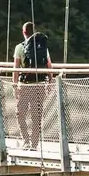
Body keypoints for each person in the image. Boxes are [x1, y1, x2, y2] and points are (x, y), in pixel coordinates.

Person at [12, 21, 51, 149]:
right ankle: (34, 144)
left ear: (23, 32)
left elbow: (16, 69)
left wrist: (14, 86)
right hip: (39, 84)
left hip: (25, 85)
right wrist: (49, 82)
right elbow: (49, 66)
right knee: (36, 116)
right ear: (33, 31)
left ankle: (26, 141)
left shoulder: (19, 47)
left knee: (20, 114)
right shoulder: (42, 47)